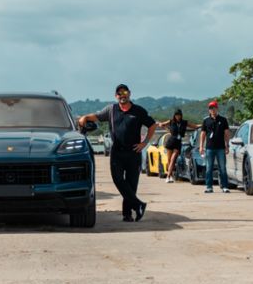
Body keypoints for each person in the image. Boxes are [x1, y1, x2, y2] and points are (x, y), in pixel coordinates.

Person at [77, 84, 156, 222]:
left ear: (129, 93)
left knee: (131, 184)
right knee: (118, 179)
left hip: (133, 152)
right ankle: (138, 205)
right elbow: (96, 116)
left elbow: (152, 125)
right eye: (119, 93)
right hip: (117, 152)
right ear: (116, 96)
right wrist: (85, 117)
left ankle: (128, 214)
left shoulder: (138, 111)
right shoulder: (111, 110)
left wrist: (144, 143)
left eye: (124, 92)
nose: (122, 95)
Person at [199, 100, 231, 193]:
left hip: (220, 147)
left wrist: (227, 145)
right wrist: (201, 146)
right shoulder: (206, 120)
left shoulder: (223, 120)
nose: (212, 110)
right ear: (209, 110)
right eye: (210, 108)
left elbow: (226, 133)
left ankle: (225, 186)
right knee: (209, 168)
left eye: (214, 108)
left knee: (222, 168)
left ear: (217, 109)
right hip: (209, 148)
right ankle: (209, 186)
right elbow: (203, 134)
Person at [162, 108, 195, 184]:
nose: (178, 116)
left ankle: (168, 177)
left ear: (181, 115)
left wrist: (204, 125)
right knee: (169, 161)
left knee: (173, 160)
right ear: (174, 115)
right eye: (176, 115)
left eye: (179, 115)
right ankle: (170, 176)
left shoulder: (184, 122)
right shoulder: (171, 121)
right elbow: (162, 124)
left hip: (178, 143)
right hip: (170, 142)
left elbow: (194, 126)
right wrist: (168, 130)